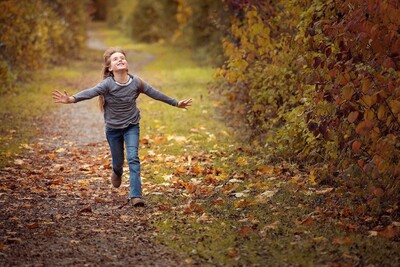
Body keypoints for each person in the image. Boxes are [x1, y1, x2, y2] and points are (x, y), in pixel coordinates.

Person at [52, 47, 192, 207]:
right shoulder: (107, 84)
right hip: (113, 129)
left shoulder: (136, 82)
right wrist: (72, 99)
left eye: (122, 58)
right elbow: (91, 92)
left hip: (131, 125)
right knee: (118, 162)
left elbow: (155, 93)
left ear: (126, 64)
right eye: (115, 59)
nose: (120, 60)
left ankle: (135, 196)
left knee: (133, 157)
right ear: (110, 68)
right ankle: (116, 172)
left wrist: (176, 103)